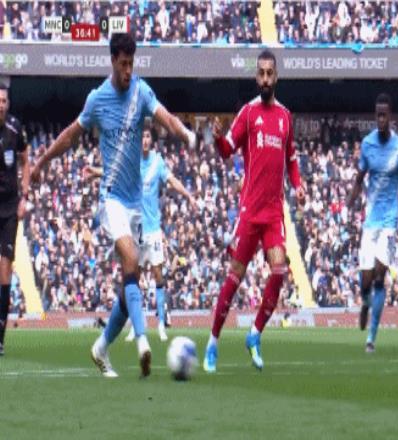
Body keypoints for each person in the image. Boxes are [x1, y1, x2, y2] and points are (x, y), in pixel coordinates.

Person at [31, 33, 196, 378]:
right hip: (111, 199)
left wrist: (186, 134)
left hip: (136, 204)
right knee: (132, 261)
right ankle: (143, 342)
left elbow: (165, 117)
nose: (128, 70)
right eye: (123, 64)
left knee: (129, 283)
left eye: (131, 64)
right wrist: (42, 161)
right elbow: (69, 136)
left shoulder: (141, 91)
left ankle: (101, 347)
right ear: (112, 61)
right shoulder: (98, 99)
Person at [203, 49, 305, 373]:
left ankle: (255, 333)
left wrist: (298, 185)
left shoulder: (285, 117)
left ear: (276, 77)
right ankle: (213, 343)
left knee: (280, 271)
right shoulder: (248, 114)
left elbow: (291, 158)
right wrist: (217, 139)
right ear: (255, 77)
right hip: (250, 211)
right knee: (234, 277)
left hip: (274, 213)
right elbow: (227, 150)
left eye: (269, 73)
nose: (264, 79)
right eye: (260, 73)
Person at [85, 125, 197, 342]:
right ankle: (135, 325)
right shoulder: (132, 160)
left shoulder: (157, 162)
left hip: (153, 229)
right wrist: (96, 172)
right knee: (133, 276)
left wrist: (188, 195)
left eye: (147, 136)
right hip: (135, 228)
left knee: (158, 275)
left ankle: (161, 323)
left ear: (151, 140)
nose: (144, 140)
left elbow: (172, 180)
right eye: (142, 136)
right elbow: (114, 172)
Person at [346, 93, 398, 353]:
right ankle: (365, 302)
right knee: (365, 281)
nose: (381, 119)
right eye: (378, 115)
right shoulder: (368, 144)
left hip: (389, 220)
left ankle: (371, 338)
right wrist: (350, 200)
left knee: (379, 278)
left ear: (390, 116)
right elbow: (359, 178)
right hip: (370, 220)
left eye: (384, 115)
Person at [0, 85, 29, 356]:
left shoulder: (15, 128)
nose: (1, 104)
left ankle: (0, 337)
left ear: (8, 104)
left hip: (10, 208)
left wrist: (24, 197)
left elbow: (25, 159)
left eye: (4, 101)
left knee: (5, 271)